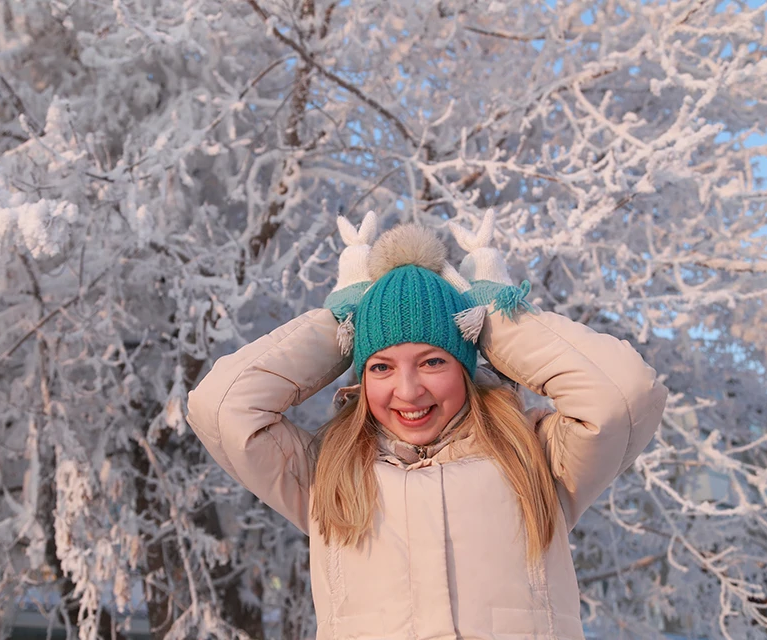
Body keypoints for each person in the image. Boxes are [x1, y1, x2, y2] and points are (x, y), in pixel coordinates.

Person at [186, 212, 668, 640]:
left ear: (464, 363)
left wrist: (498, 321)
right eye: (381, 367)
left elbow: (623, 394)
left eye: (433, 360)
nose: (409, 390)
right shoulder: (325, 474)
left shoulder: (535, 455)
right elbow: (222, 406)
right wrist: (340, 325)